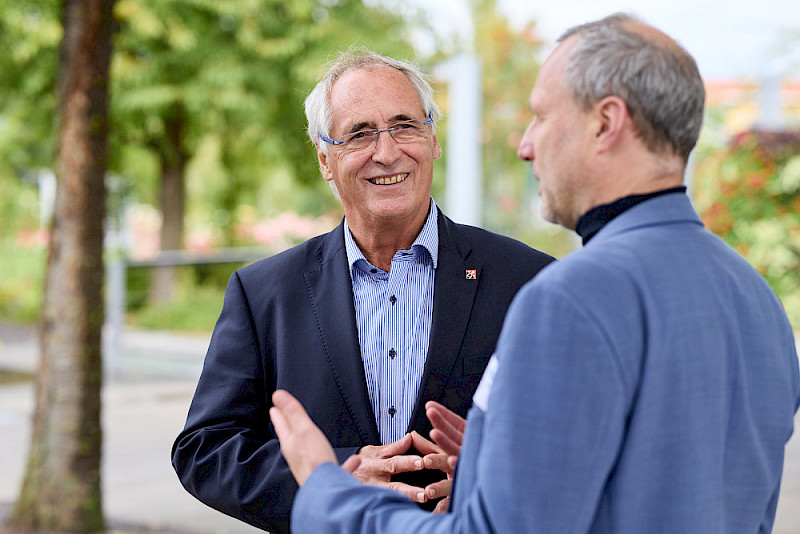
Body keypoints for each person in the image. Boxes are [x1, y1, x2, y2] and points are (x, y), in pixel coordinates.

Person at [269, 13, 800, 534]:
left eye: (541, 117)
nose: (525, 145)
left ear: (605, 123)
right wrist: (487, 467)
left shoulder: (568, 299)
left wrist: (325, 488)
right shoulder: (756, 298)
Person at [171, 48, 554, 533]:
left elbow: (573, 440)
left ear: (433, 139)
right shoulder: (264, 293)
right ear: (326, 161)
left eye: (405, 126)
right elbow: (205, 449)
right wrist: (332, 479)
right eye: (360, 134)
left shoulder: (529, 280)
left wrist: (489, 480)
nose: (387, 151)